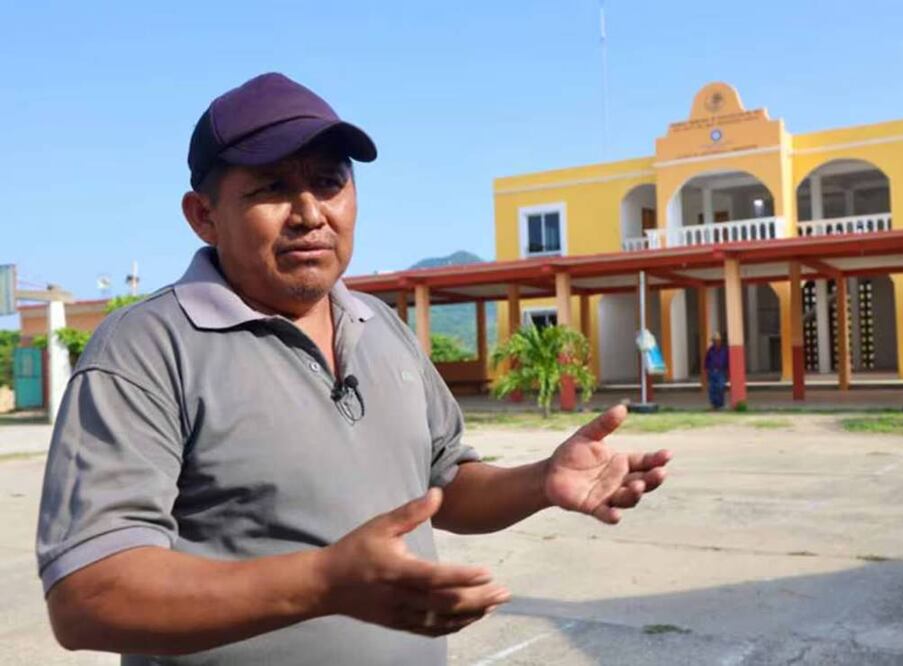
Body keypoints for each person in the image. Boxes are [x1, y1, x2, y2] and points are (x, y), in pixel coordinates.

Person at [36, 73, 672, 666]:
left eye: (329, 181)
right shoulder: (147, 348)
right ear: (204, 215)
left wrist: (541, 481)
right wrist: (324, 584)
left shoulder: (379, 325)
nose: (311, 212)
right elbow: (90, 596)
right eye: (271, 187)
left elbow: (444, 483)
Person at [704, 332, 729, 409]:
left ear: (720, 341)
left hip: (721, 371)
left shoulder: (724, 350)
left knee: (720, 387)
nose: (716, 342)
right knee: (712, 388)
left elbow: (727, 360)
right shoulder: (710, 350)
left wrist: (727, 371)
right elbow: (706, 360)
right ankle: (714, 404)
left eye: (717, 340)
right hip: (712, 371)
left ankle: (720, 404)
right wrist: (706, 370)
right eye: (714, 341)